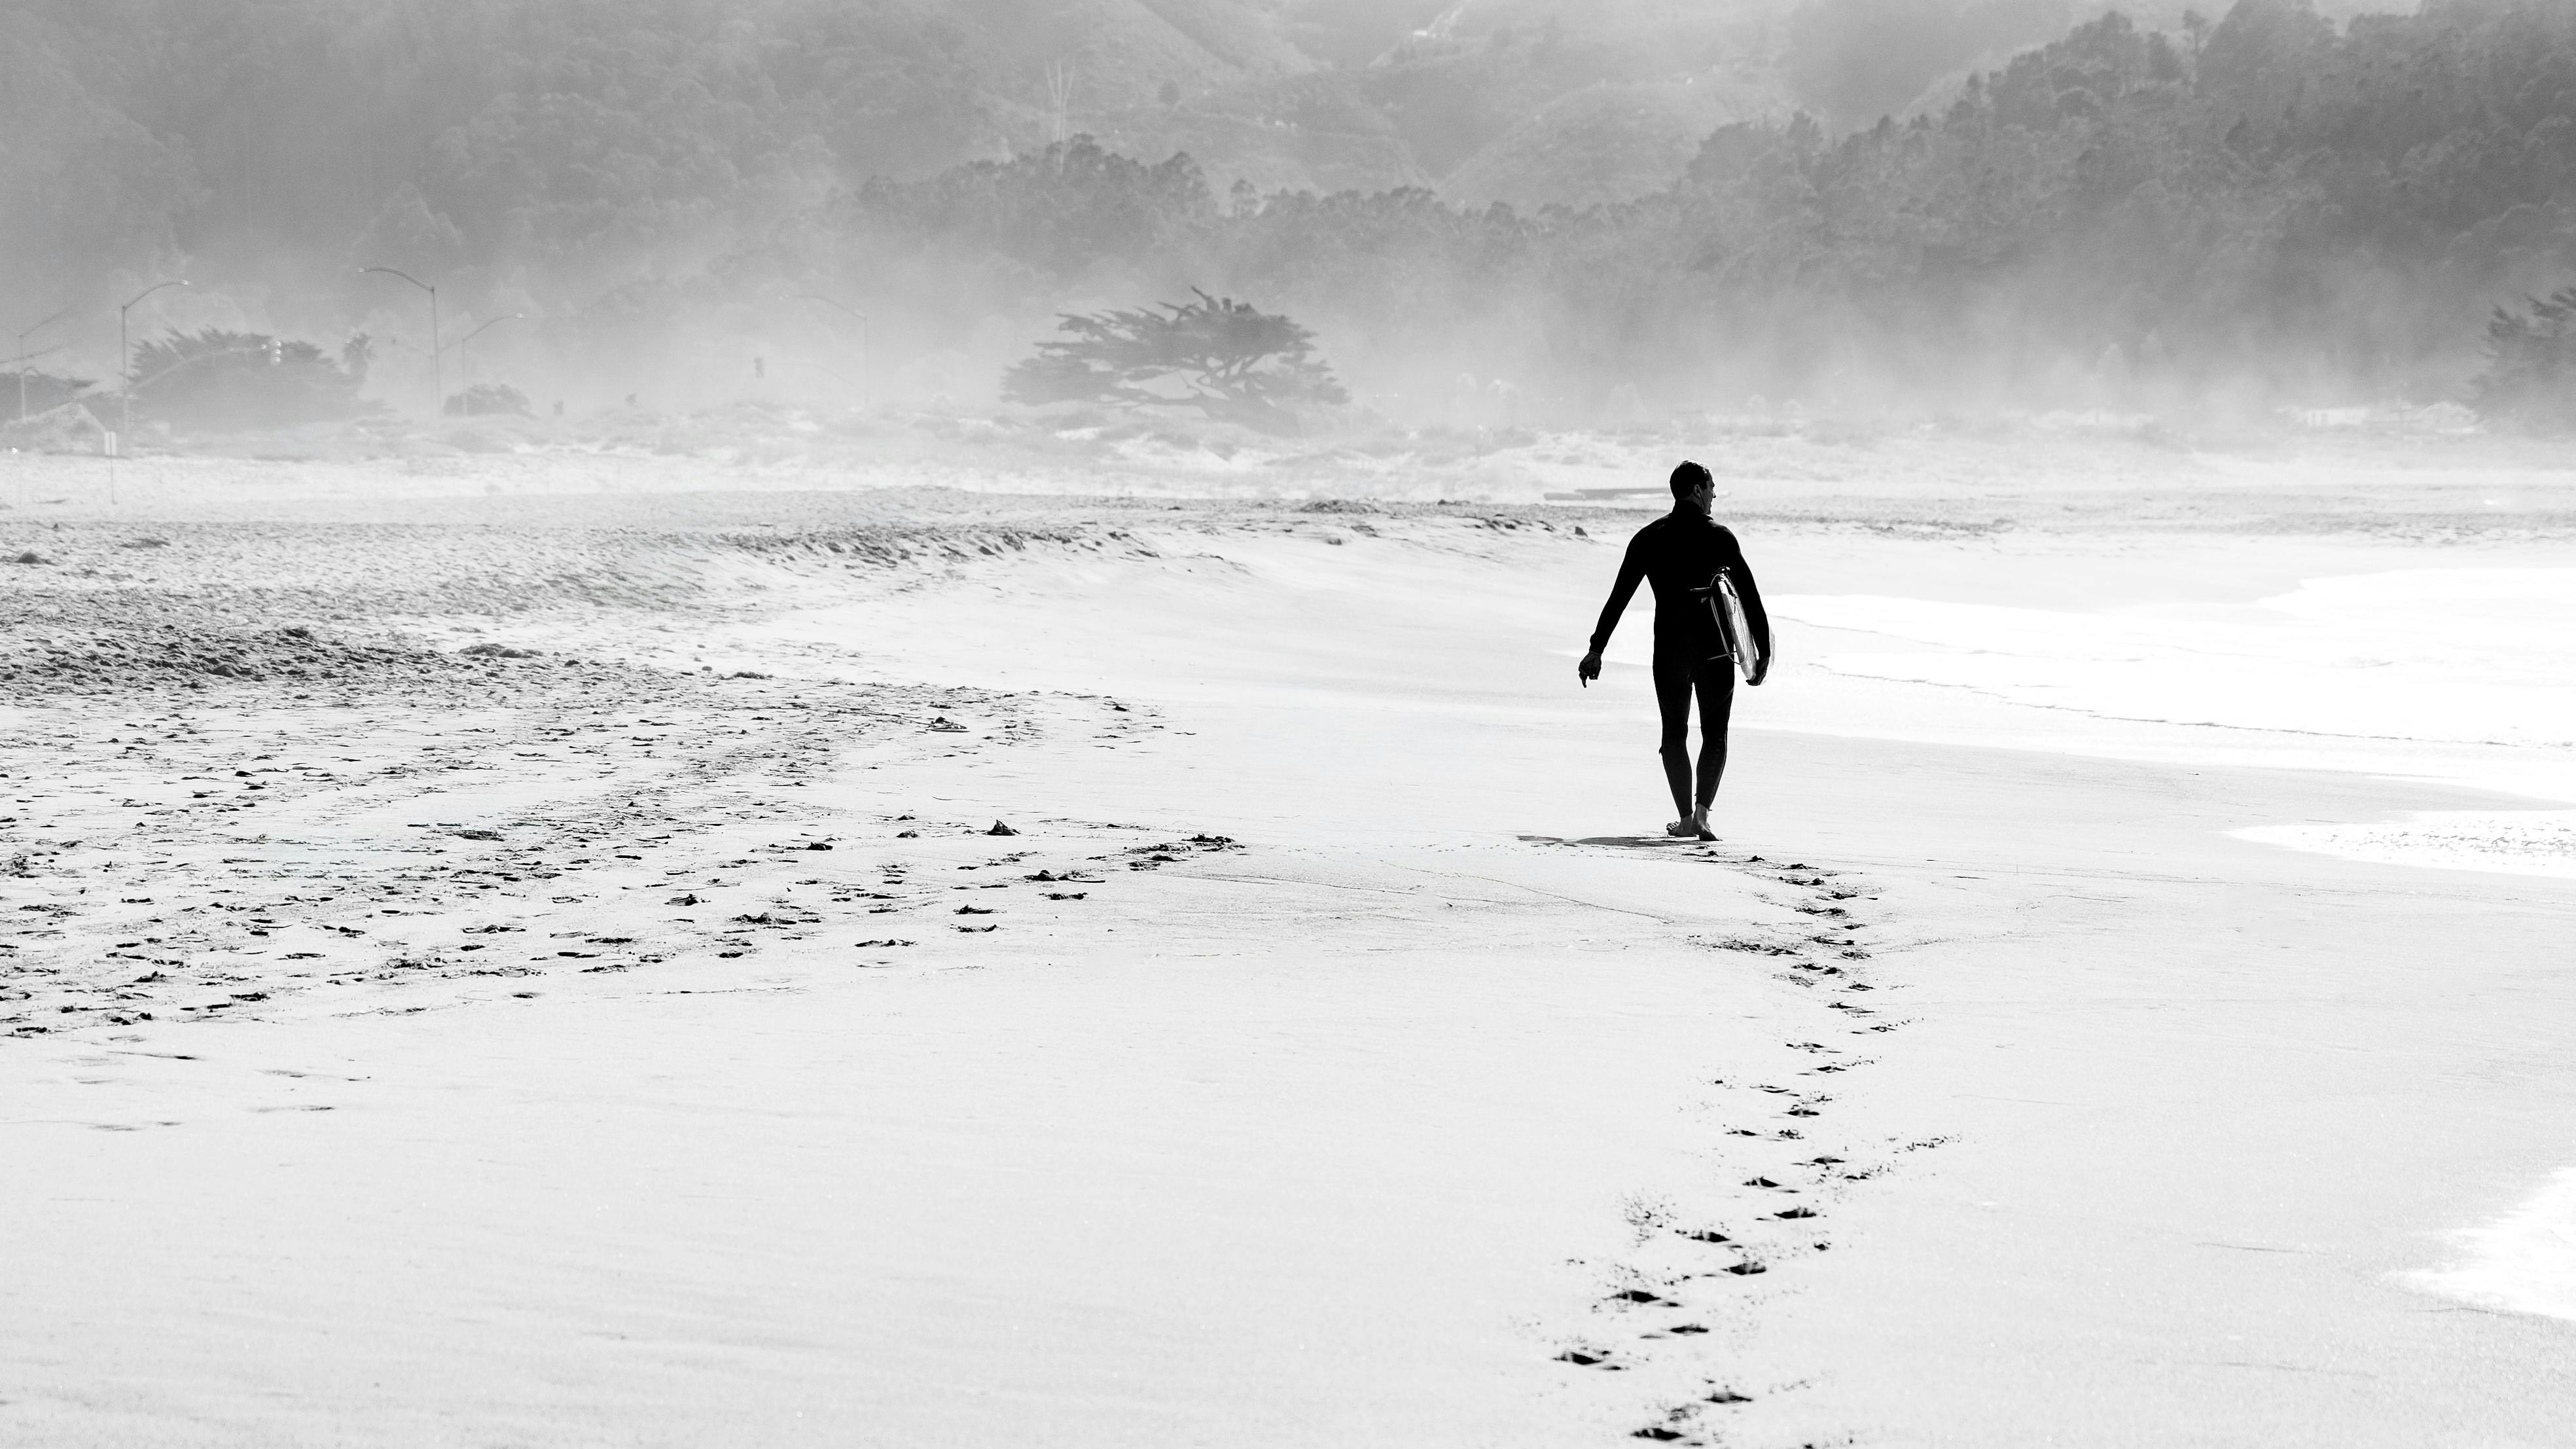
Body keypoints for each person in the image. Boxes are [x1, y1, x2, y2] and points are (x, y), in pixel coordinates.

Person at [1577, 460, 1772, 841]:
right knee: (1715, 733)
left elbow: (1618, 598)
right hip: (1715, 650)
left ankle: (1684, 818)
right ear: (1698, 490)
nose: (1715, 493)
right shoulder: (1720, 537)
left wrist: (1596, 649)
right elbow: (1749, 596)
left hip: (1670, 651)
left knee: (1674, 734)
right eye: (1712, 486)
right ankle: (1701, 816)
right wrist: (1762, 653)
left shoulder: (1649, 538)